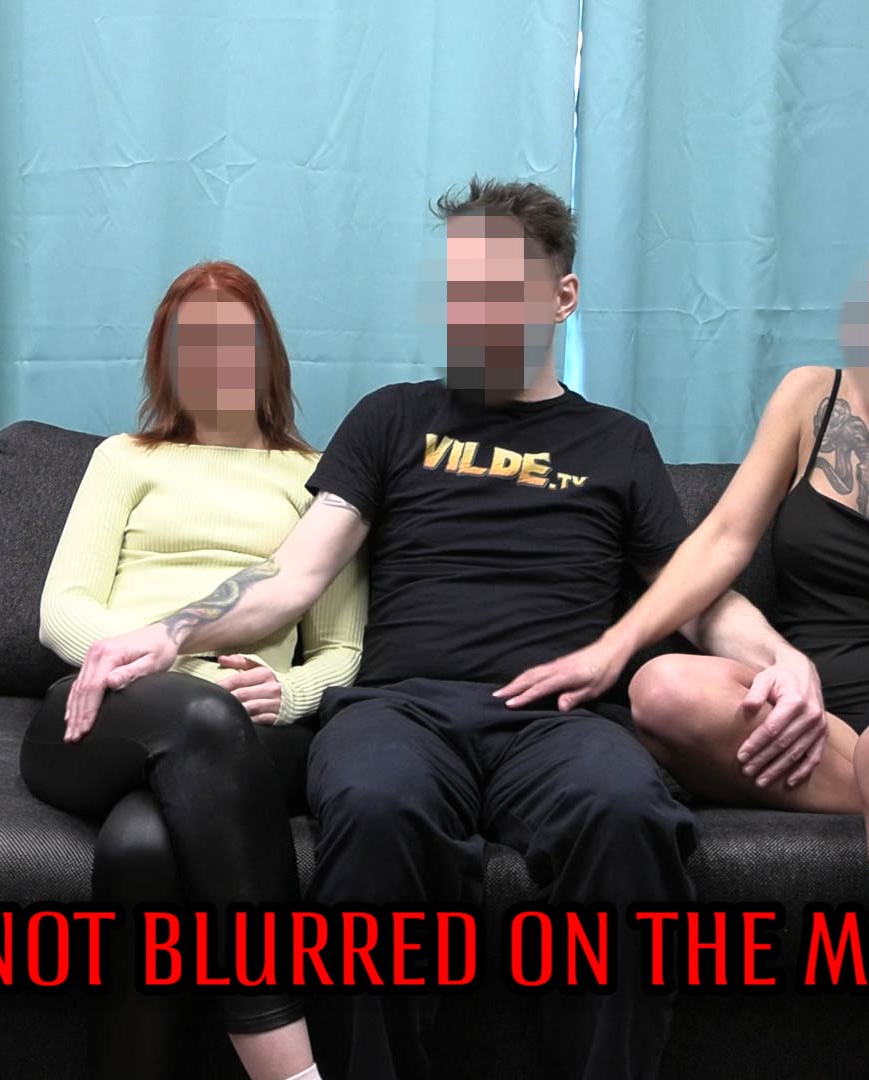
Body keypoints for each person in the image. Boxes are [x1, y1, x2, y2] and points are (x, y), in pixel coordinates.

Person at [80, 178, 788, 1080]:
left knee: (628, 814)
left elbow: (699, 595)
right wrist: (171, 632)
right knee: (374, 809)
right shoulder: (393, 417)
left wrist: (784, 662)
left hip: (560, 721)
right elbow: (295, 572)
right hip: (401, 712)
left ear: (561, 296)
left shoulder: (618, 442)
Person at [494, 213, 869, 1080]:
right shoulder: (810, 398)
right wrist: (616, 647)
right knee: (662, 689)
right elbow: (722, 541)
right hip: (819, 718)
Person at [22, 260, 367, 1080]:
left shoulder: (318, 482)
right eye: (195, 342)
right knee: (199, 714)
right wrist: (152, 657)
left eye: (234, 340)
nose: (216, 359)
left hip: (252, 728)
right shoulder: (124, 459)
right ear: (167, 360)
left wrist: (290, 690)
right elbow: (62, 607)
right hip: (107, 708)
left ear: (268, 354)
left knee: (143, 846)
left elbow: (342, 651)